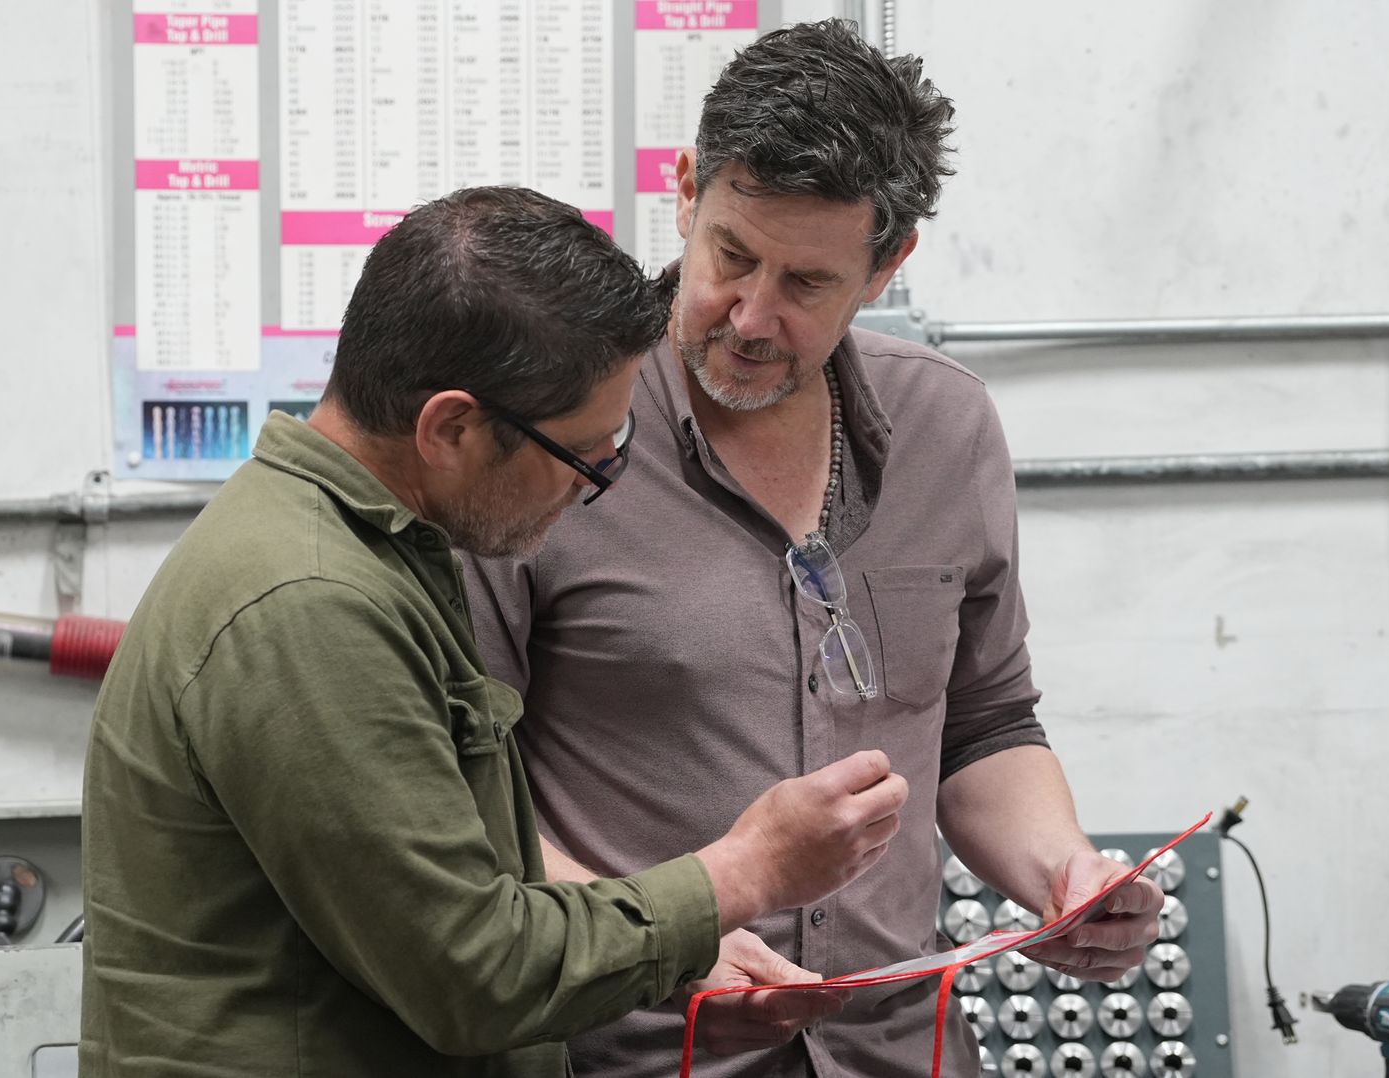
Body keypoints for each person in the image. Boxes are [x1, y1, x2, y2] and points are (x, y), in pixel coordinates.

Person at [79, 185, 911, 1078]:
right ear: (452, 426)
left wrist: (678, 947)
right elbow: (473, 975)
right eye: (582, 456)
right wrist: (744, 872)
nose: (600, 485)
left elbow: (454, 884)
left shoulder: (372, 554)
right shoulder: (308, 603)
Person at [460, 22, 1163, 1077]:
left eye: (806, 284)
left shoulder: (948, 429)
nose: (749, 317)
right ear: (686, 189)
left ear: (889, 264)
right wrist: (658, 946)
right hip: (642, 1050)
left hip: (903, 1050)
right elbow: (466, 783)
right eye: (731, 256)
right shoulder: (548, 432)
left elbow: (983, 725)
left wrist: (1062, 873)